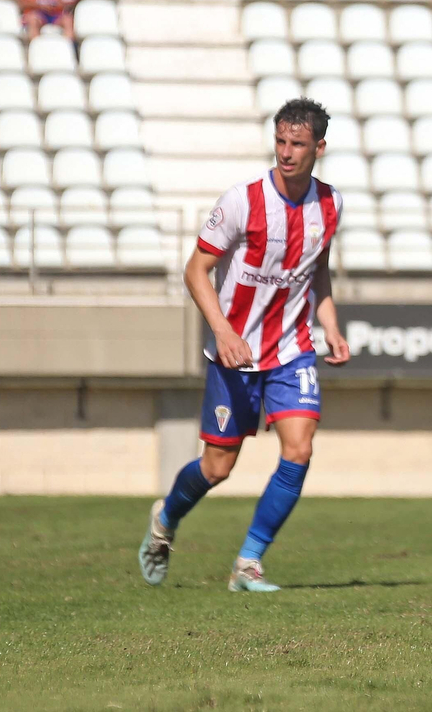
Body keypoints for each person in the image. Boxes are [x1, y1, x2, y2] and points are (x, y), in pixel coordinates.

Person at [137, 98, 350, 592]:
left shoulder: (330, 203)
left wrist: (331, 324)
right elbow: (196, 269)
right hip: (236, 355)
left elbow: (317, 269)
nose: (286, 153)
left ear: (319, 146)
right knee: (217, 467)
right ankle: (165, 521)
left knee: (299, 449)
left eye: (297, 144)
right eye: (280, 141)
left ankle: (249, 562)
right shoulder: (242, 200)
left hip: (292, 350)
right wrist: (225, 332)